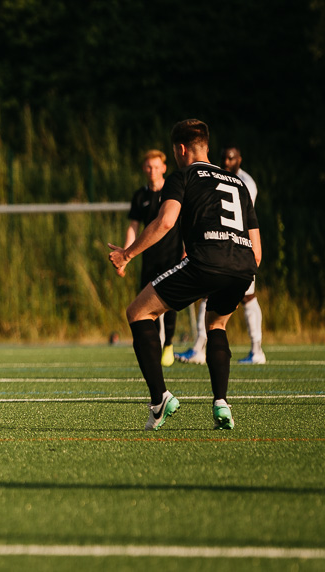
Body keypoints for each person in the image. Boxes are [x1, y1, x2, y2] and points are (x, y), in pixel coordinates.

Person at [109, 119, 260, 431]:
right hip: (243, 265)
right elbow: (257, 249)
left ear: (180, 149)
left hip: (206, 260)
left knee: (138, 312)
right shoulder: (238, 183)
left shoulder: (183, 175)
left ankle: (159, 400)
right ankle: (221, 403)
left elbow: (165, 222)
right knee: (216, 324)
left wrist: (127, 254)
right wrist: (240, 274)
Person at [176, 146, 265, 365]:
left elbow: (246, 218)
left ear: (239, 159)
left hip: (239, 245)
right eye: (224, 158)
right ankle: (199, 347)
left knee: (247, 297)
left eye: (231, 158)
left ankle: (256, 349)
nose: (226, 162)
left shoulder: (246, 182)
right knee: (207, 294)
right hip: (220, 245)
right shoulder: (218, 176)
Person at [121, 149, 182, 367]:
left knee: (170, 303)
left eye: (156, 167)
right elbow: (133, 227)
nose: (152, 171)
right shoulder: (140, 196)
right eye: (148, 167)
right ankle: (155, 346)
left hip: (172, 256)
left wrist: (187, 249)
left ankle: (169, 344)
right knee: (147, 306)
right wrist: (125, 256)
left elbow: (181, 222)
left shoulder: (173, 192)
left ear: (164, 168)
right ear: (143, 168)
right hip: (149, 259)